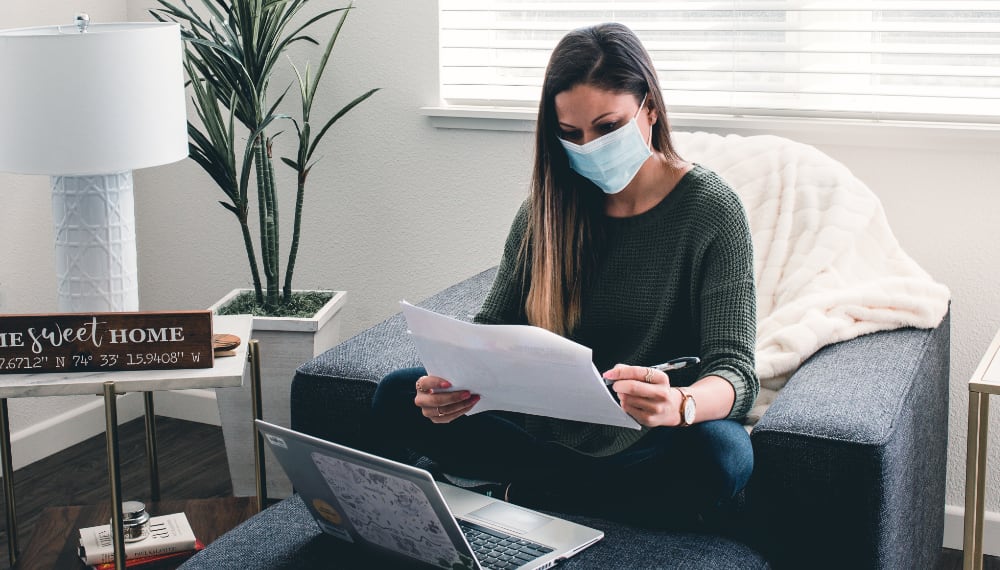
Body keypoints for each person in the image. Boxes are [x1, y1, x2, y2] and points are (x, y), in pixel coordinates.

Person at [369, 22, 757, 527]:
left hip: (645, 429)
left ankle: (520, 491)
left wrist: (680, 404)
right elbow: (489, 328)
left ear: (651, 108)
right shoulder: (548, 208)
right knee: (397, 395)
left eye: (608, 127)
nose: (590, 147)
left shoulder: (712, 210)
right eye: (571, 134)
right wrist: (449, 390)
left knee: (720, 455)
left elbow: (736, 371)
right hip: (543, 424)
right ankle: (572, 494)